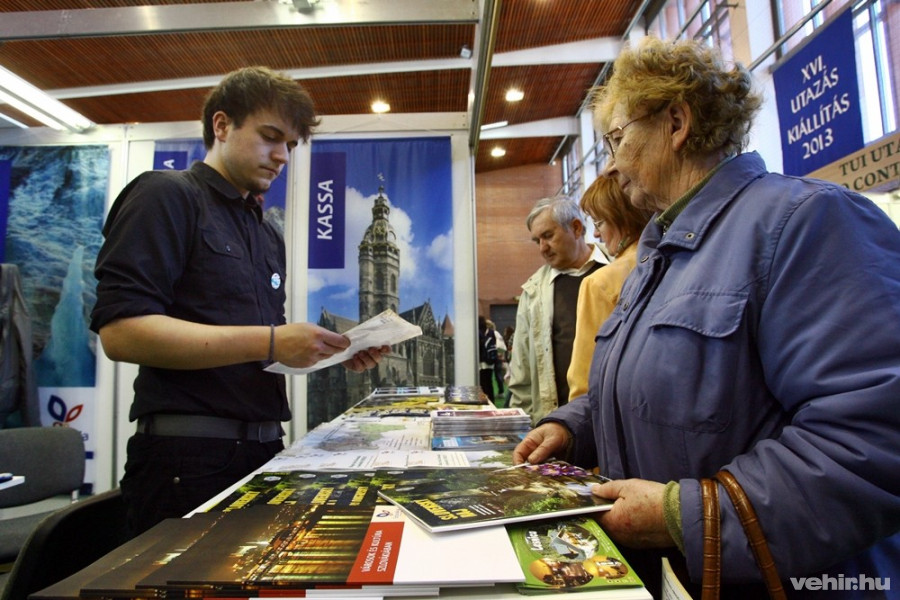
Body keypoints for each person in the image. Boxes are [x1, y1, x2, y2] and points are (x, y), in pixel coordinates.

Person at [514, 36, 900, 598]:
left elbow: (872, 439)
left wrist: (684, 513)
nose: (614, 164)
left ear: (675, 122)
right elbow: (646, 386)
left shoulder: (805, 222)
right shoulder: (660, 251)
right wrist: (572, 428)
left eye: (617, 138)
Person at [90, 66, 389, 538]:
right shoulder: (165, 197)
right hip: (186, 462)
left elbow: (251, 353)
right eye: (271, 137)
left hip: (264, 454)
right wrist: (273, 340)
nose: (282, 156)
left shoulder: (267, 232)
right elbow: (122, 333)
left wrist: (331, 353)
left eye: (290, 144)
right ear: (222, 125)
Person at [507, 196, 608, 424]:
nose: (543, 248)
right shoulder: (532, 293)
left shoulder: (622, 269)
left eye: (548, 236)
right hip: (559, 422)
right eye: (537, 241)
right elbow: (522, 374)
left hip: (614, 416)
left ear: (576, 228)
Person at [566, 175, 652, 401]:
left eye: (599, 222)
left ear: (622, 217)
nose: (595, 234)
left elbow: (584, 382)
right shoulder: (675, 262)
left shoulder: (600, 283)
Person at [477, 315, 497, 401]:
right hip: (491, 361)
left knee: (483, 383)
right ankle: (492, 400)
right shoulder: (491, 332)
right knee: (489, 382)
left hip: (482, 361)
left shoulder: (478, 332)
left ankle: (485, 400)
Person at [487, 318, 507, 399]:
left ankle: (501, 392)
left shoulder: (493, 333)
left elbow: (500, 346)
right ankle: (500, 392)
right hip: (496, 356)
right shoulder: (496, 333)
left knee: (496, 375)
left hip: (494, 357)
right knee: (497, 375)